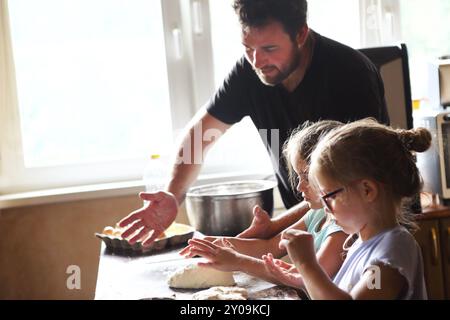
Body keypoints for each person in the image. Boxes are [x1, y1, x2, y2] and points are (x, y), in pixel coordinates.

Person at [118, 0, 389, 246]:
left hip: (367, 229)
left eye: (270, 48)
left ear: (301, 34)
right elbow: (200, 137)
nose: (258, 61)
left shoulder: (350, 74)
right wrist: (172, 196)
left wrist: (273, 229)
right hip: (315, 224)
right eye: (248, 48)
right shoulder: (249, 75)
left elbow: (354, 184)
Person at [265, 118, 430, 299]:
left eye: (330, 196)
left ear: (367, 190)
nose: (325, 207)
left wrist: (307, 265)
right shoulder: (361, 242)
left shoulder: (392, 252)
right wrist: (303, 275)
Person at [181, 120, 348, 289]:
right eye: (298, 177)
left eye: (306, 176)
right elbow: (269, 246)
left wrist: (239, 262)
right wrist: (217, 244)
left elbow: (306, 280)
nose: (299, 186)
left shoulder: (341, 231)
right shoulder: (317, 214)